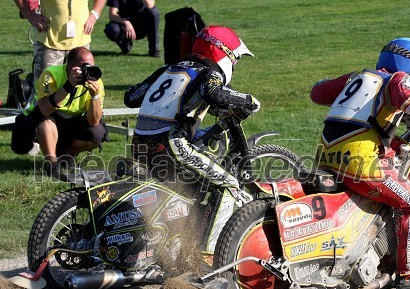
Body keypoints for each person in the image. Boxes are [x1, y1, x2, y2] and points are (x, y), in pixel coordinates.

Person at [310, 37, 410, 289]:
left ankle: (383, 254)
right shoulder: (396, 80)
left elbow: (317, 92)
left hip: (327, 156)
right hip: (359, 164)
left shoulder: (358, 78)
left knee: (392, 152)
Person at [124, 25, 260, 190]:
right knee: (230, 183)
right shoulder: (209, 73)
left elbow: (131, 98)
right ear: (224, 54)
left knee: (189, 190)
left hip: (139, 146)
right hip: (171, 146)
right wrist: (246, 99)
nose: (234, 65)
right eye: (234, 60)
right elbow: (214, 92)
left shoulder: (167, 69)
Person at [12, 47, 109, 179]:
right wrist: (68, 85)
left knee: (97, 133)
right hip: (43, 119)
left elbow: (93, 121)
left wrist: (95, 96)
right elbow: (45, 110)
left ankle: (66, 155)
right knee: (45, 122)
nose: (87, 72)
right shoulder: (50, 75)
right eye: (83, 67)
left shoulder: (96, 82)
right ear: (70, 67)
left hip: (71, 121)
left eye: (91, 67)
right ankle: (51, 164)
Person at [13, 0, 105, 81]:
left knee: (81, 90)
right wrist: (29, 14)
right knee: (45, 91)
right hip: (50, 43)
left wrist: (95, 14)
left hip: (81, 43)